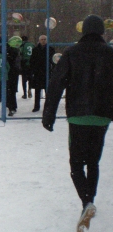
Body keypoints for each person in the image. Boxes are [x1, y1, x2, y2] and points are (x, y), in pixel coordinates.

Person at [42, 15, 113, 231]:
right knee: (93, 162)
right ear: (102, 32)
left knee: (76, 165)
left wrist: (49, 114)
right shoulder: (110, 54)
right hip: (102, 116)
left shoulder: (72, 52)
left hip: (78, 115)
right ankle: (89, 202)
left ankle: (86, 202)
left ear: (83, 32)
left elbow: (56, 84)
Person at [29, 35, 55, 112]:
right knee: (37, 91)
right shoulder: (35, 49)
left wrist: (52, 69)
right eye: (42, 39)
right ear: (39, 40)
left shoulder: (50, 49)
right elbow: (32, 60)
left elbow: (53, 60)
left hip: (47, 72)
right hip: (38, 72)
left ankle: (48, 107)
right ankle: (36, 106)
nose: (43, 41)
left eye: (44, 39)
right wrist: (33, 70)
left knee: (48, 91)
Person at [6, 44, 20, 116]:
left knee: (10, 91)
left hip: (11, 74)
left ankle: (12, 107)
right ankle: (12, 107)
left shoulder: (10, 53)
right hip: (13, 74)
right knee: (11, 91)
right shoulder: (14, 52)